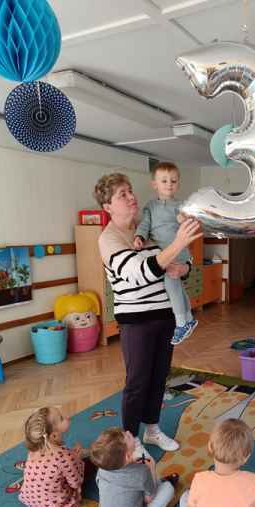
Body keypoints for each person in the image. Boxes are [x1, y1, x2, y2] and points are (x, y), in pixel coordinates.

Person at [95, 173, 201, 458]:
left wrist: (185, 268)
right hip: (137, 322)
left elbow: (179, 262)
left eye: (130, 191)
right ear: (107, 206)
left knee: (158, 377)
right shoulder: (109, 239)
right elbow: (139, 273)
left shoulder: (148, 226)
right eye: (122, 194)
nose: (131, 197)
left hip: (165, 316)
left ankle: (152, 430)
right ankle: (130, 439)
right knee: (137, 382)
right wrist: (177, 243)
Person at [133, 162, 197, 345]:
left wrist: (184, 220)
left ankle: (181, 323)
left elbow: (190, 224)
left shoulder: (181, 205)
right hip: (163, 254)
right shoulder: (150, 206)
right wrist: (139, 236)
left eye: (173, 181)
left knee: (171, 284)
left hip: (178, 252)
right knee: (178, 288)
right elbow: (145, 224)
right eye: (164, 181)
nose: (169, 184)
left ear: (178, 184)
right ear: (155, 184)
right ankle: (188, 318)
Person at [90, 427, 178, 507]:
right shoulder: (141, 471)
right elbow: (149, 499)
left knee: (143, 486)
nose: (128, 432)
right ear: (127, 456)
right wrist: (151, 467)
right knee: (168, 489)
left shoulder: (102, 469)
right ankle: (163, 484)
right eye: (127, 436)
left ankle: (153, 485)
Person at [19, 406, 85, 507]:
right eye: (61, 418)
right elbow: (76, 483)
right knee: (85, 466)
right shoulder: (65, 456)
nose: (66, 417)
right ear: (54, 435)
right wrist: (77, 459)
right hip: (56, 506)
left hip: (31, 501)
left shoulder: (33, 452)